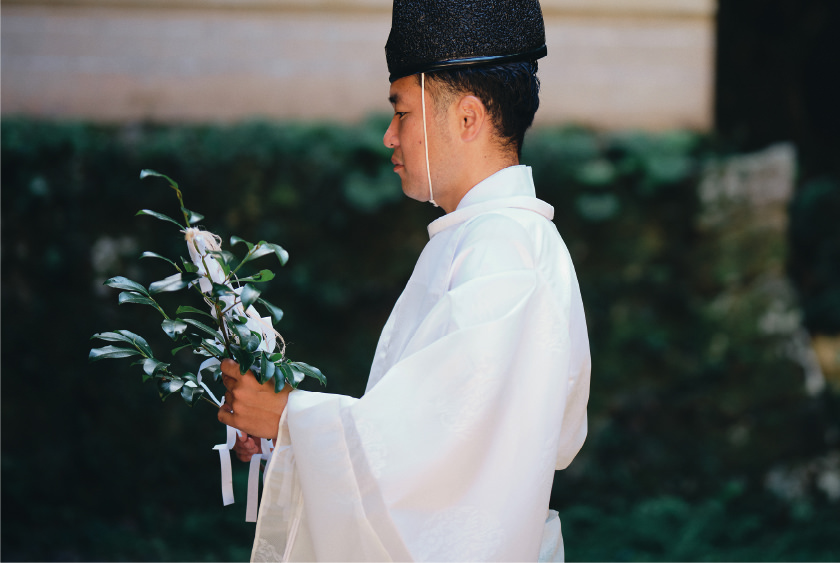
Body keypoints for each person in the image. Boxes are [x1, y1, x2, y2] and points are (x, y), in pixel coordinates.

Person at [217, 1, 590, 560]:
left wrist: (291, 416)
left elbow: (438, 455)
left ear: (467, 118)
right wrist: (287, 433)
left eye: (403, 113)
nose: (390, 136)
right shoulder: (487, 239)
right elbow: (426, 442)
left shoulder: (505, 252)